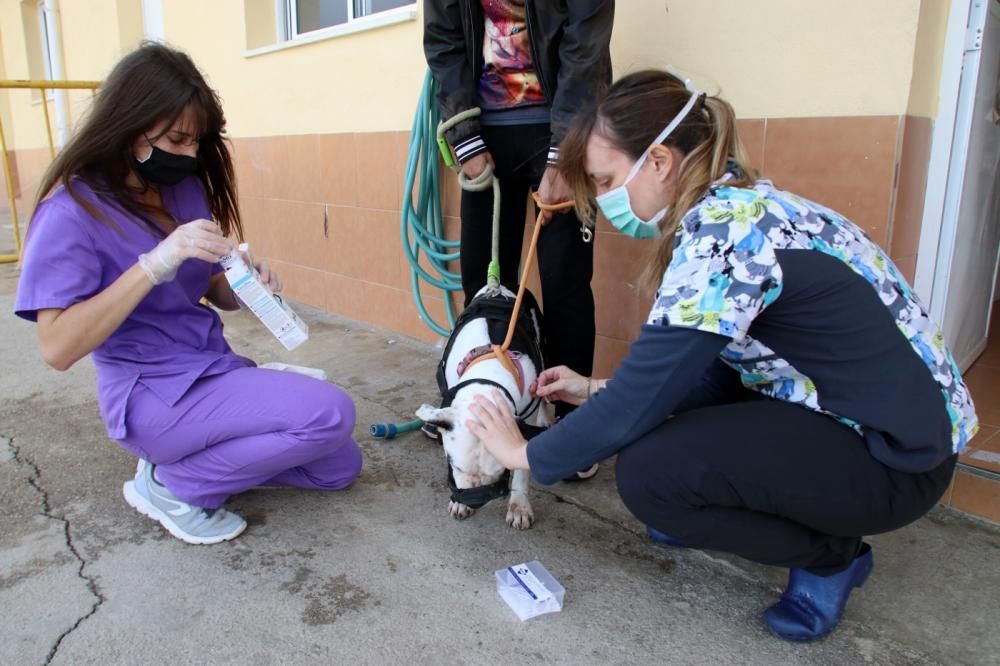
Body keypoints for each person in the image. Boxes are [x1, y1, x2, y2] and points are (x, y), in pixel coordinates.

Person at [466, 69, 978, 641]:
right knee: (666, 435)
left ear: (658, 162)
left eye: (607, 180)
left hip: (895, 461)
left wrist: (524, 454)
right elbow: (696, 373)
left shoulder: (723, 239)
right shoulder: (741, 207)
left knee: (648, 476)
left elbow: (643, 398)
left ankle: (833, 554)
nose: (607, 200)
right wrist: (592, 389)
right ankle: (702, 505)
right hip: (872, 421)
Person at [13, 43, 362, 545]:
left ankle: (197, 461)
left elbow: (213, 288)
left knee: (337, 466)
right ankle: (174, 484)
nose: (190, 155)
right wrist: (153, 264)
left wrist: (244, 284)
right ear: (132, 124)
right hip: (150, 393)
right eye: (177, 139)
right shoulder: (70, 213)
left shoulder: (182, 189)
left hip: (209, 367)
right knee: (330, 413)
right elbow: (58, 348)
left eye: (196, 142)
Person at [423, 0, 614, 422]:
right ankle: (487, 401)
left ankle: (572, 418)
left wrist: (566, 151)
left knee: (565, 282)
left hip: (561, 127)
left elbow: (586, 48)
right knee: (483, 281)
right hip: (483, 131)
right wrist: (463, 138)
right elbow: (443, 41)